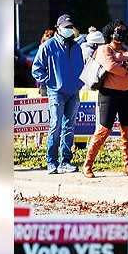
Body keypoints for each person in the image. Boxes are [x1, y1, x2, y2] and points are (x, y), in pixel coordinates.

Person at [82, 20, 128, 178]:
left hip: (127, 94)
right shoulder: (104, 49)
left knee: (127, 130)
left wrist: (124, 63)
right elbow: (111, 66)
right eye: (117, 31)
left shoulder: (127, 49)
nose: (119, 34)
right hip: (109, 95)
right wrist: (127, 68)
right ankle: (87, 165)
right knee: (104, 130)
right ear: (110, 32)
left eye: (122, 31)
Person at [31, 14, 85, 174]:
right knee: (56, 126)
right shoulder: (48, 46)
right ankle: (51, 161)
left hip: (73, 92)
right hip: (56, 92)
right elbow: (36, 69)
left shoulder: (75, 47)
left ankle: (65, 161)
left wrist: (79, 83)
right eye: (66, 27)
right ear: (58, 27)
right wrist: (50, 82)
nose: (69, 29)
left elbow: (81, 68)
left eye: (70, 27)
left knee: (69, 127)